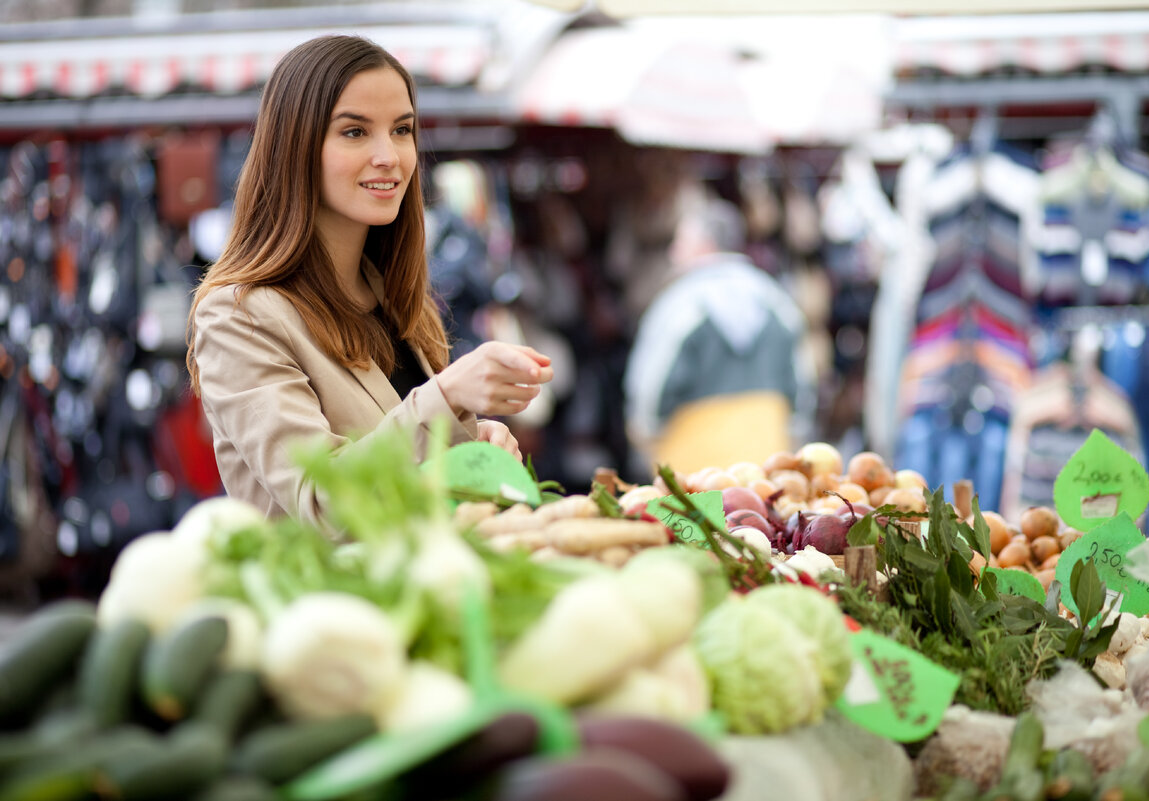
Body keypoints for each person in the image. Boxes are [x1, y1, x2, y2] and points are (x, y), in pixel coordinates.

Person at [186, 35, 552, 522]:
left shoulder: (394, 296)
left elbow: (405, 471)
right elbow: (323, 500)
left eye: (402, 130)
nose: (390, 156)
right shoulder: (238, 316)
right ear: (295, 146)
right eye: (355, 132)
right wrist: (447, 397)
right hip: (324, 598)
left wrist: (470, 446)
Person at [624, 198, 815, 477]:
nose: (673, 252)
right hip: (764, 454)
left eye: (680, 242)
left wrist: (644, 432)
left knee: (691, 521)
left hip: (692, 461)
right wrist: (796, 431)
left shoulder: (681, 302)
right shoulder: (773, 298)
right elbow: (802, 376)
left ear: (705, 244)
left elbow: (653, 380)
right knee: (758, 521)